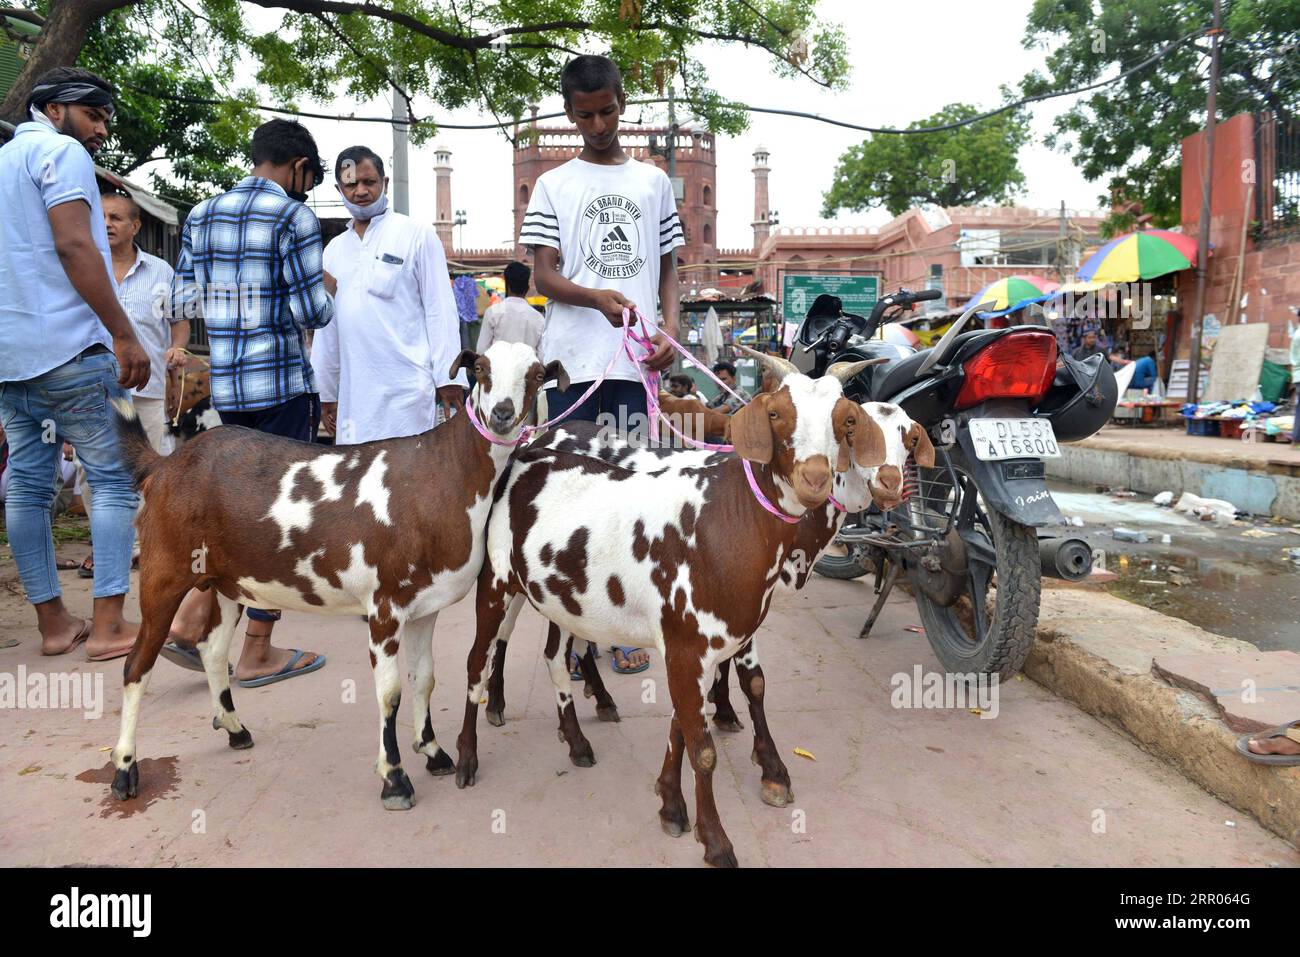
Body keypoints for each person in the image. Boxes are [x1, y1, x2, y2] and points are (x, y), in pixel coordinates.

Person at [520, 53, 683, 676]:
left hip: (635, 368)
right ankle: (577, 624)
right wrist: (595, 298)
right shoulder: (554, 185)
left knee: (634, 493)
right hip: (574, 368)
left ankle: (625, 626)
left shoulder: (653, 183)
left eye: (607, 111)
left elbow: (669, 269)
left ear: (623, 103)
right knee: (577, 495)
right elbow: (543, 274)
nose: (597, 124)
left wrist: (667, 327)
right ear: (570, 113)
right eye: (584, 115)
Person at [162, 118, 333, 687]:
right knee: (279, 520)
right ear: (298, 167)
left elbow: (183, 298)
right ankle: (257, 647)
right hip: (283, 391)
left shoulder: (201, 215)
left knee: (230, 516)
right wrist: (325, 293)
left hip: (229, 393)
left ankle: (191, 620)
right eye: (310, 177)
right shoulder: (293, 215)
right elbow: (313, 314)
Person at [0, 67, 150, 660]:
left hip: (12, 363)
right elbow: (74, 244)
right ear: (57, 108)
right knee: (114, 480)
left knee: (29, 490)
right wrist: (123, 332)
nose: (101, 131)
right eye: (95, 116)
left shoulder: (3, 163)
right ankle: (110, 627)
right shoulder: (59, 154)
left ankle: (55, 626)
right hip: (74, 354)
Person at [312, 144, 465, 445]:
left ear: (384, 183)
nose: (360, 191)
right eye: (351, 184)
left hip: (406, 393)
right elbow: (327, 327)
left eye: (369, 182)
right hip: (355, 398)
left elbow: (440, 310)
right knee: (355, 484)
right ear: (339, 188)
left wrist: (448, 379)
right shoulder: (333, 251)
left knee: (409, 484)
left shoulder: (416, 235)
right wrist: (326, 392)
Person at [73, 192, 189, 579]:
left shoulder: (161, 271)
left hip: (148, 388)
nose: (108, 224)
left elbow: (180, 320)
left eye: (117, 218)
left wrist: (177, 347)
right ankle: (107, 544)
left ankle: (147, 544)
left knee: (154, 467)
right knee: (94, 470)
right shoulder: (82, 267)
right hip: (96, 390)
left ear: (135, 226)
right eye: (102, 217)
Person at [477, 260, 543, 354]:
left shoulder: (493, 312)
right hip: (527, 367)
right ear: (527, 288)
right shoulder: (538, 318)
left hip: (498, 368)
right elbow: (542, 356)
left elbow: (481, 350)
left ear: (507, 285)